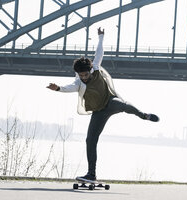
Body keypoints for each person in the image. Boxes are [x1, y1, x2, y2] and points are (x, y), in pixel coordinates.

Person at [47, 27, 159, 181]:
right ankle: (91, 174)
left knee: (124, 106)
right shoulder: (79, 81)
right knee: (90, 140)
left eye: (85, 74)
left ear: (90, 69)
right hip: (98, 112)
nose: (84, 77)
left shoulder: (96, 68)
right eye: (81, 75)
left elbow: (99, 53)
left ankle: (144, 115)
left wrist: (101, 37)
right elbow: (70, 88)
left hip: (111, 102)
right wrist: (58, 88)